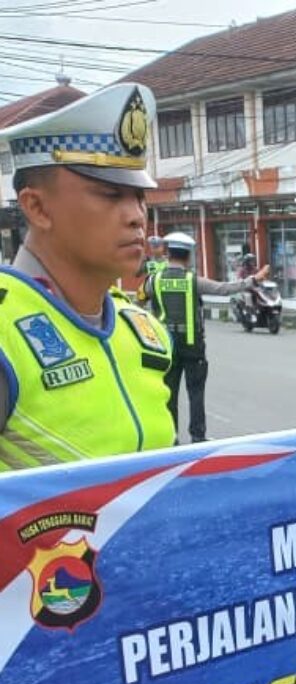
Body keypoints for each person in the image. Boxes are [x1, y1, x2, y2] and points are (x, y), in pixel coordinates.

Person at [0, 82, 175, 473]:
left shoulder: (144, 331)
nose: (136, 216)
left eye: (139, 197)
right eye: (111, 195)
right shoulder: (4, 334)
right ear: (37, 207)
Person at [145, 231, 268, 444]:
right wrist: (253, 280)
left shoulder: (153, 281)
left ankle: (171, 438)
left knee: (169, 395)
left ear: (168, 253)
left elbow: (140, 303)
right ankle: (197, 437)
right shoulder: (194, 281)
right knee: (195, 394)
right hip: (193, 348)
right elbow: (224, 289)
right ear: (188, 256)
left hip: (166, 348)